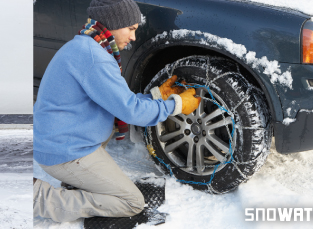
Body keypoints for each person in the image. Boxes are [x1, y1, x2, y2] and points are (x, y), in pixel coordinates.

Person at [32, 0, 201, 222]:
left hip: (65, 139)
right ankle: (40, 198)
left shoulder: (87, 46)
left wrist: (158, 96)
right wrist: (177, 105)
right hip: (65, 152)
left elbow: (118, 101)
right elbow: (131, 111)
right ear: (113, 23)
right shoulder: (95, 59)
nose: (133, 38)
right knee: (131, 202)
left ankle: (78, 179)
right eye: (131, 29)